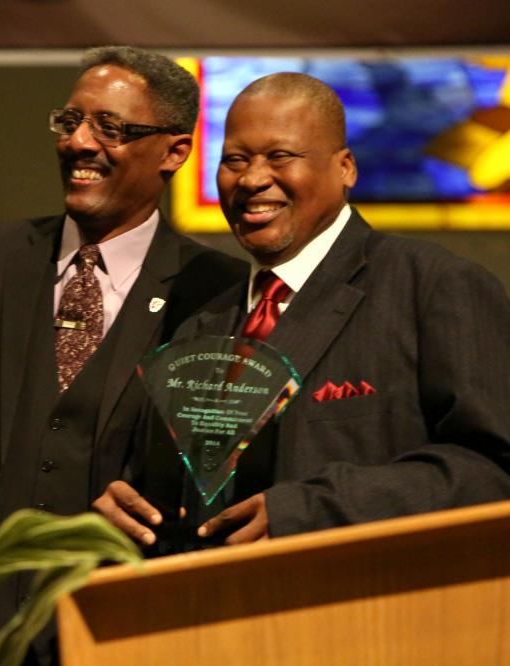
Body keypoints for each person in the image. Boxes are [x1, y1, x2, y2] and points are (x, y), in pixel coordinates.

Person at [0, 46, 244, 663]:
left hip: (123, 631)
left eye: (110, 128)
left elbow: (232, 462)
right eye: (70, 121)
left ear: (174, 151)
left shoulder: (216, 294)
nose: (79, 142)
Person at [93, 72, 510, 548]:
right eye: (234, 160)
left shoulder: (432, 287)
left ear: (345, 168)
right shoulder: (199, 328)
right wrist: (131, 511)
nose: (251, 178)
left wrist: (309, 510)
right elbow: (189, 491)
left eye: (280, 157)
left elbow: (494, 469)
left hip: (369, 610)